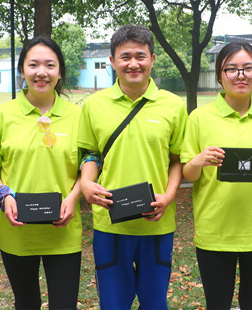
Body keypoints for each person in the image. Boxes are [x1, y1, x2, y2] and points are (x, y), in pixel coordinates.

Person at [78, 24, 188, 310]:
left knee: (154, 304)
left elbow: (177, 159)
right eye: (125, 57)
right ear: (112, 61)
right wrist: (86, 183)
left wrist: (169, 196)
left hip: (156, 223)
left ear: (152, 59)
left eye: (140, 56)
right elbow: (91, 154)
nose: (133, 64)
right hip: (110, 223)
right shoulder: (94, 105)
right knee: (113, 304)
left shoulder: (173, 106)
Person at [181, 41, 252, 310]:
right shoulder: (199, 118)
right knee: (217, 304)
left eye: (248, 68)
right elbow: (188, 175)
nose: (240, 75)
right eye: (231, 69)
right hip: (215, 232)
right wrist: (198, 160)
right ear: (220, 75)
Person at [0, 36, 82, 309]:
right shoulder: (4, 115)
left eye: (50, 65)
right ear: (22, 70)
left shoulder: (77, 116)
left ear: (60, 71)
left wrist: (73, 198)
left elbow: (88, 166)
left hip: (63, 232)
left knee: (64, 305)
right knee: (26, 302)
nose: (41, 72)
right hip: (17, 231)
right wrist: (4, 195)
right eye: (33, 65)